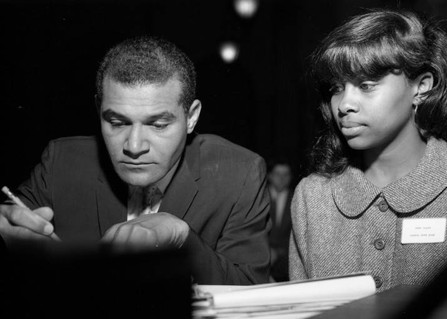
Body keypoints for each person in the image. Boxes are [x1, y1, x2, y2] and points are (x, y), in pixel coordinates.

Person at [0, 35, 271, 285]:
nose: (134, 146)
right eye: (117, 123)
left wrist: (182, 238)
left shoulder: (239, 173)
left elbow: (250, 289)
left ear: (191, 117)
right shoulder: (61, 162)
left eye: (158, 125)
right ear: (99, 110)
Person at [289, 9, 447, 292]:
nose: (343, 105)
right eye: (337, 88)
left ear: (421, 86)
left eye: (366, 85)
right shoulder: (312, 198)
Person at [267, 158, 294, 282]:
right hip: (260, 259)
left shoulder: (296, 198)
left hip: (287, 265)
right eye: (278, 174)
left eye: (286, 174)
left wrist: (278, 252)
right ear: (270, 176)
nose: (282, 178)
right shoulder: (259, 197)